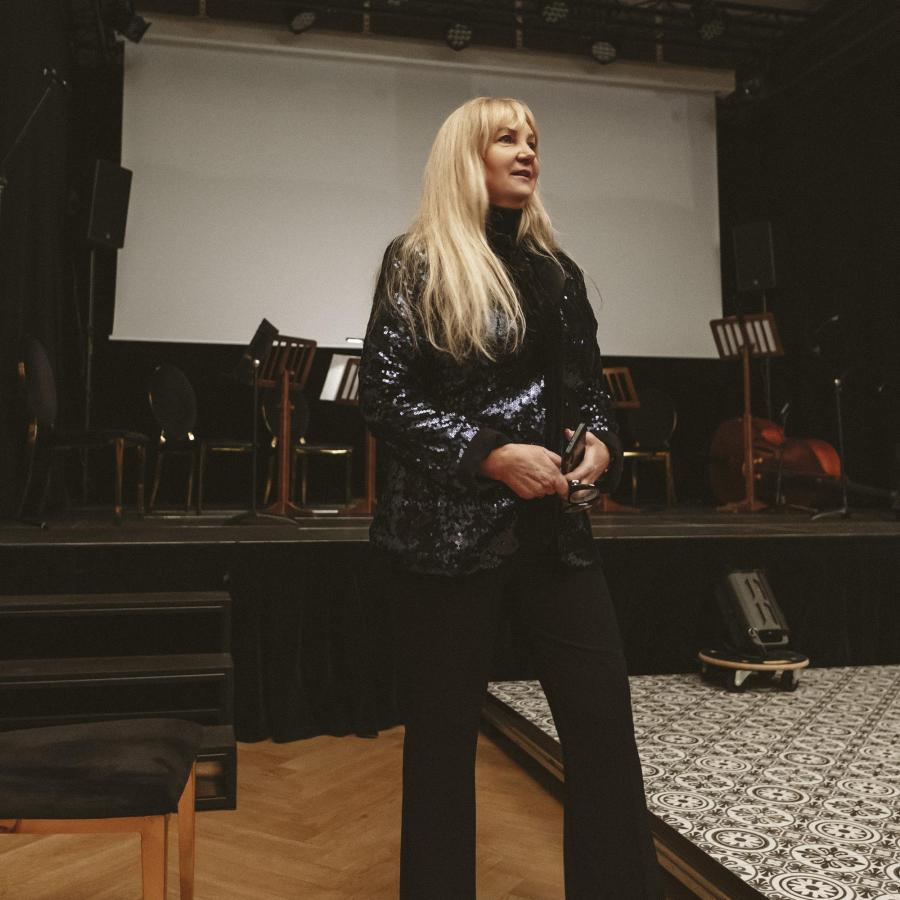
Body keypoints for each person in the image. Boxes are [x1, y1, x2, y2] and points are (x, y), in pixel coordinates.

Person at [359, 96, 663, 900]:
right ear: (467, 156)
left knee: (603, 733)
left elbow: (591, 394)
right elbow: (384, 398)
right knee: (441, 747)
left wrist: (601, 445)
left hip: (552, 533)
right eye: (507, 139)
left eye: (533, 140)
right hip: (446, 540)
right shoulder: (417, 260)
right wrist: (492, 456)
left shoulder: (557, 271)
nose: (528, 151)